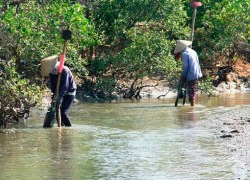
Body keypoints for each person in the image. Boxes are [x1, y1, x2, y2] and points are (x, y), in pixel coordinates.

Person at [41, 55, 77, 126]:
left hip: (69, 92)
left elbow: (65, 86)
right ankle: (61, 126)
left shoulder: (65, 70)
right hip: (59, 92)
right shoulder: (52, 73)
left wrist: (60, 97)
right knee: (57, 110)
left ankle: (69, 127)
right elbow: (53, 86)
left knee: (63, 112)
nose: (52, 71)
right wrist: (53, 97)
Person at [174, 40, 202, 106]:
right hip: (196, 73)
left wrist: (183, 76)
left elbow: (185, 67)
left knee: (190, 91)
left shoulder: (185, 54)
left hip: (191, 74)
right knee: (192, 90)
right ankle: (191, 106)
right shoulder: (193, 51)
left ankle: (192, 108)